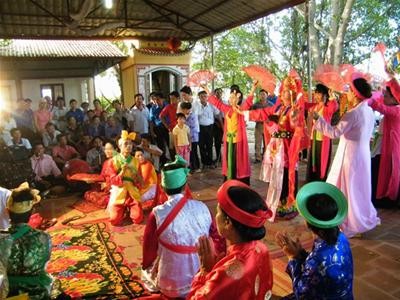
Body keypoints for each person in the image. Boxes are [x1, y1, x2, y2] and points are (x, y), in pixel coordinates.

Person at [141, 155, 224, 298]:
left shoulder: (157, 214)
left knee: (147, 271)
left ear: (162, 187)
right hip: (202, 274)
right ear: (185, 186)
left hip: (170, 283)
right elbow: (218, 240)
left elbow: (149, 248)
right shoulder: (203, 207)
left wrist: (147, 264)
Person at [313, 73, 380, 237]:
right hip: (362, 155)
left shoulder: (353, 114)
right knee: (358, 188)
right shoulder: (369, 111)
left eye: (349, 90)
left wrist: (318, 119)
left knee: (347, 188)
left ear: (356, 94)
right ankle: (357, 220)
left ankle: (350, 222)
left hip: (349, 155)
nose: (347, 93)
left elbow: (334, 132)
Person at [187, 180, 273, 299]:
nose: (215, 215)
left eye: (217, 212)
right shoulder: (262, 249)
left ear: (227, 222)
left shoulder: (228, 271)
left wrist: (205, 271)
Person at [276, 182, 353, 299]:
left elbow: (300, 293)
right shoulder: (341, 237)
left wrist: (292, 258)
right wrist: (300, 253)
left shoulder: (317, 259)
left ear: (308, 223)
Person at [0, 182, 52, 299]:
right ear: (32, 212)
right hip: (38, 293)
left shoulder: (1, 241)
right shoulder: (44, 238)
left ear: (8, 212)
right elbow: (43, 265)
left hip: (9, 294)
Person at [202, 82, 258, 185]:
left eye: (233, 98)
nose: (231, 99)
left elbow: (249, 101)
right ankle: (229, 179)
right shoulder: (226, 109)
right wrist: (206, 89)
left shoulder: (241, 110)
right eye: (230, 97)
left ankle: (240, 180)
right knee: (228, 160)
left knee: (238, 161)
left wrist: (253, 87)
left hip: (238, 140)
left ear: (238, 99)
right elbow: (216, 102)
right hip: (228, 139)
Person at [368, 75, 400, 205]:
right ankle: (377, 196)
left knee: (382, 171)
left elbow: (380, 107)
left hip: (390, 147)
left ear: (394, 98)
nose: (383, 98)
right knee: (377, 169)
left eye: (386, 96)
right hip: (382, 145)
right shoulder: (393, 108)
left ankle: (382, 198)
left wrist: (367, 99)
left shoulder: (397, 111)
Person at [107, 131, 143, 225]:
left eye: (130, 144)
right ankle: (122, 210)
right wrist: (122, 172)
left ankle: (131, 208)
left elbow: (140, 181)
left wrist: (137, 177)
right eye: (126, 144)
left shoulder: (136, 161)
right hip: (119, 191)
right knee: (114, 221)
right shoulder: (112, 161)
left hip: (132, 192)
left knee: (138, 219)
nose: (129, 146)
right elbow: (112, 180)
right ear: (119, 146)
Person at [306, 84, 338, 181]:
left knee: (321, 162)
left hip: (323, 138)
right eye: (316, 93)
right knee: (313, 160)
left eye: (319, 93)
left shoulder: (327, 107)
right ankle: (312, 180)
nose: (316, 95)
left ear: (324, 95)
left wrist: (332, 97)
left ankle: (320, 180)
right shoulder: (314, 107)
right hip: (313, 138)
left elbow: (334, 107)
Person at [83, 142, 116, 208]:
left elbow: (120, 179)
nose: (106, 151)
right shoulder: (106, 163)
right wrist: (93, 181)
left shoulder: (119, 162)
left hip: (115, 189)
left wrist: (108, 185)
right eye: (105, 149)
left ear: (116, 149)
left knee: (104, 200)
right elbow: (101, 177)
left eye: (109, 149)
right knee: (88, 194)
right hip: (105, 189)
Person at [198, 90, 217, 169]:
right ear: (199, 98)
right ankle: (204, 162)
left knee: (209, 145)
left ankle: (210, 162)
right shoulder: (196, 106)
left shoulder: (211, 105)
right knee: (201, 145)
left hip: (210, 127)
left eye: (205, 96)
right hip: (200, 128)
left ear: (207, 97)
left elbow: (217, 112)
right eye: (201, 97)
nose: (203, 98)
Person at [181, 102, 200, 173]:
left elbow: (191, 126)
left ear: (187, 109)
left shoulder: (193, 116)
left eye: (183, 109)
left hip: (193, 138)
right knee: (190, 152)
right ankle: (192, 167)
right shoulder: (185, 116)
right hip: (187, 138)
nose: (182, 111)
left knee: (193, 152)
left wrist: (183, 122)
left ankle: (196, 167)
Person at [251, 89, 270, 163]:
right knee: (258, 142)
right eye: (261, 94)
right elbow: (251, 115)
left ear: (267, 95)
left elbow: (274, 115)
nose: (262, 95)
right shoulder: (255, 105)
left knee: (267, 143)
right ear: (259, 95)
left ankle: (266, 157)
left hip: (268, 126)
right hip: (258, 126)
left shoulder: (270, 105)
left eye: (264, 94)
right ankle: (258, 158)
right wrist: (256, 119)